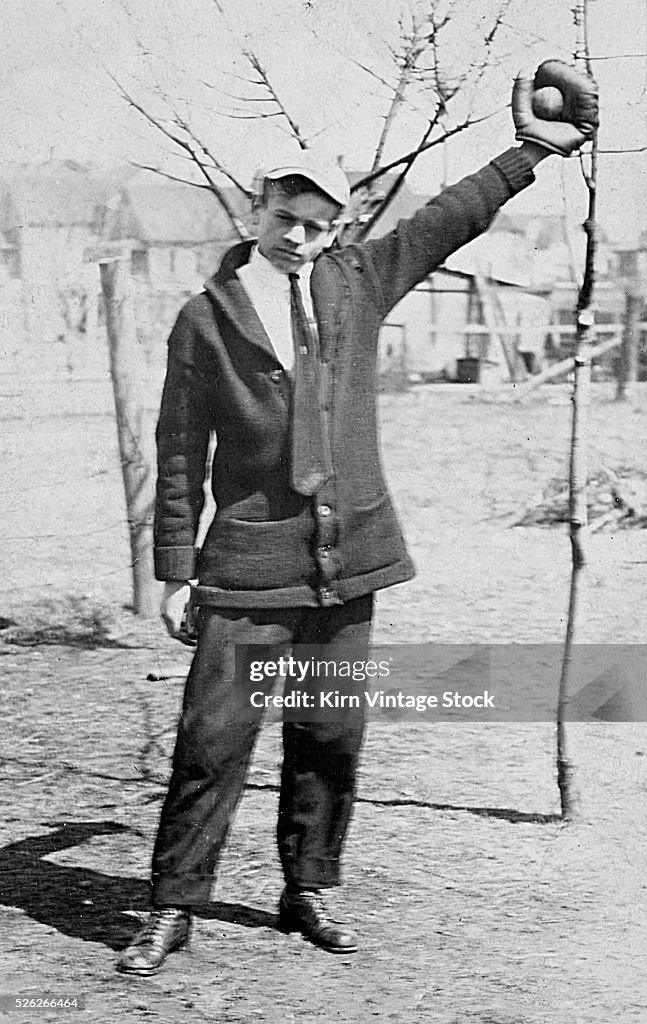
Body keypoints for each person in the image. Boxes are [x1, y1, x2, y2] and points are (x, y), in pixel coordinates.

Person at [116, 60, 598, 975]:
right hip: (248, 567)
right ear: (256, 211)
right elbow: (179, 452)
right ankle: (173, 906)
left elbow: (445, 218)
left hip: (351, 558)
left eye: (314, 225)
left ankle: (309, 887)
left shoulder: (357, 281)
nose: (297, 238)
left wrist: (528, 152)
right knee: (212, 742)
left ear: (333, 226)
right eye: (283, 220)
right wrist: (174, 571)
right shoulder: (205, 318)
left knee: (330, 732)